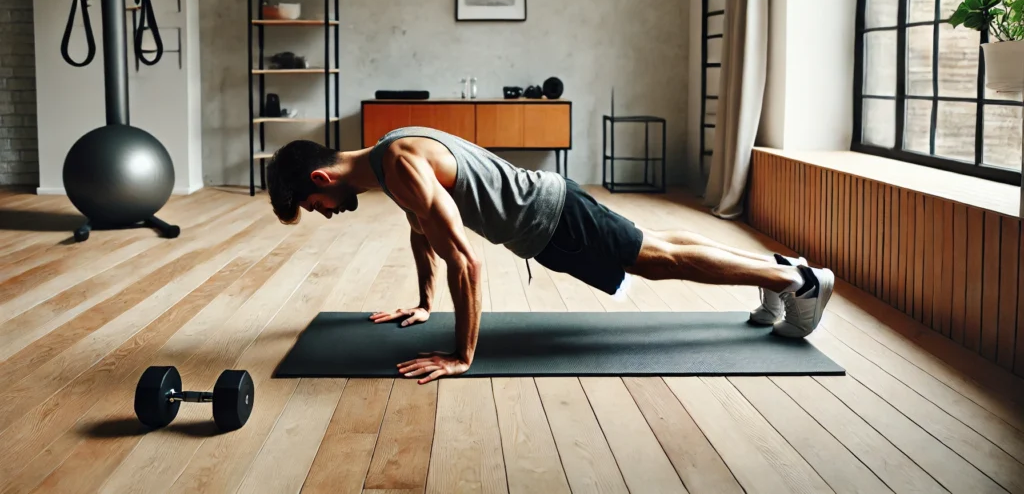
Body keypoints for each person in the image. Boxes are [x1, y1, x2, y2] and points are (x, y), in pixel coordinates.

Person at [266, 126, 834, 384]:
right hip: (552, 207)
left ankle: (800, 284)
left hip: (553, 222)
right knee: (661, 250)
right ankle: (781, 273)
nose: (323, 211)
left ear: (320, 177)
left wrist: (465, 355)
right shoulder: (392, 153)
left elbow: (466, 260)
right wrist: (422, 303)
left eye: (314, 204)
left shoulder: (398, 165)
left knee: (663, 259)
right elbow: (423, 229)